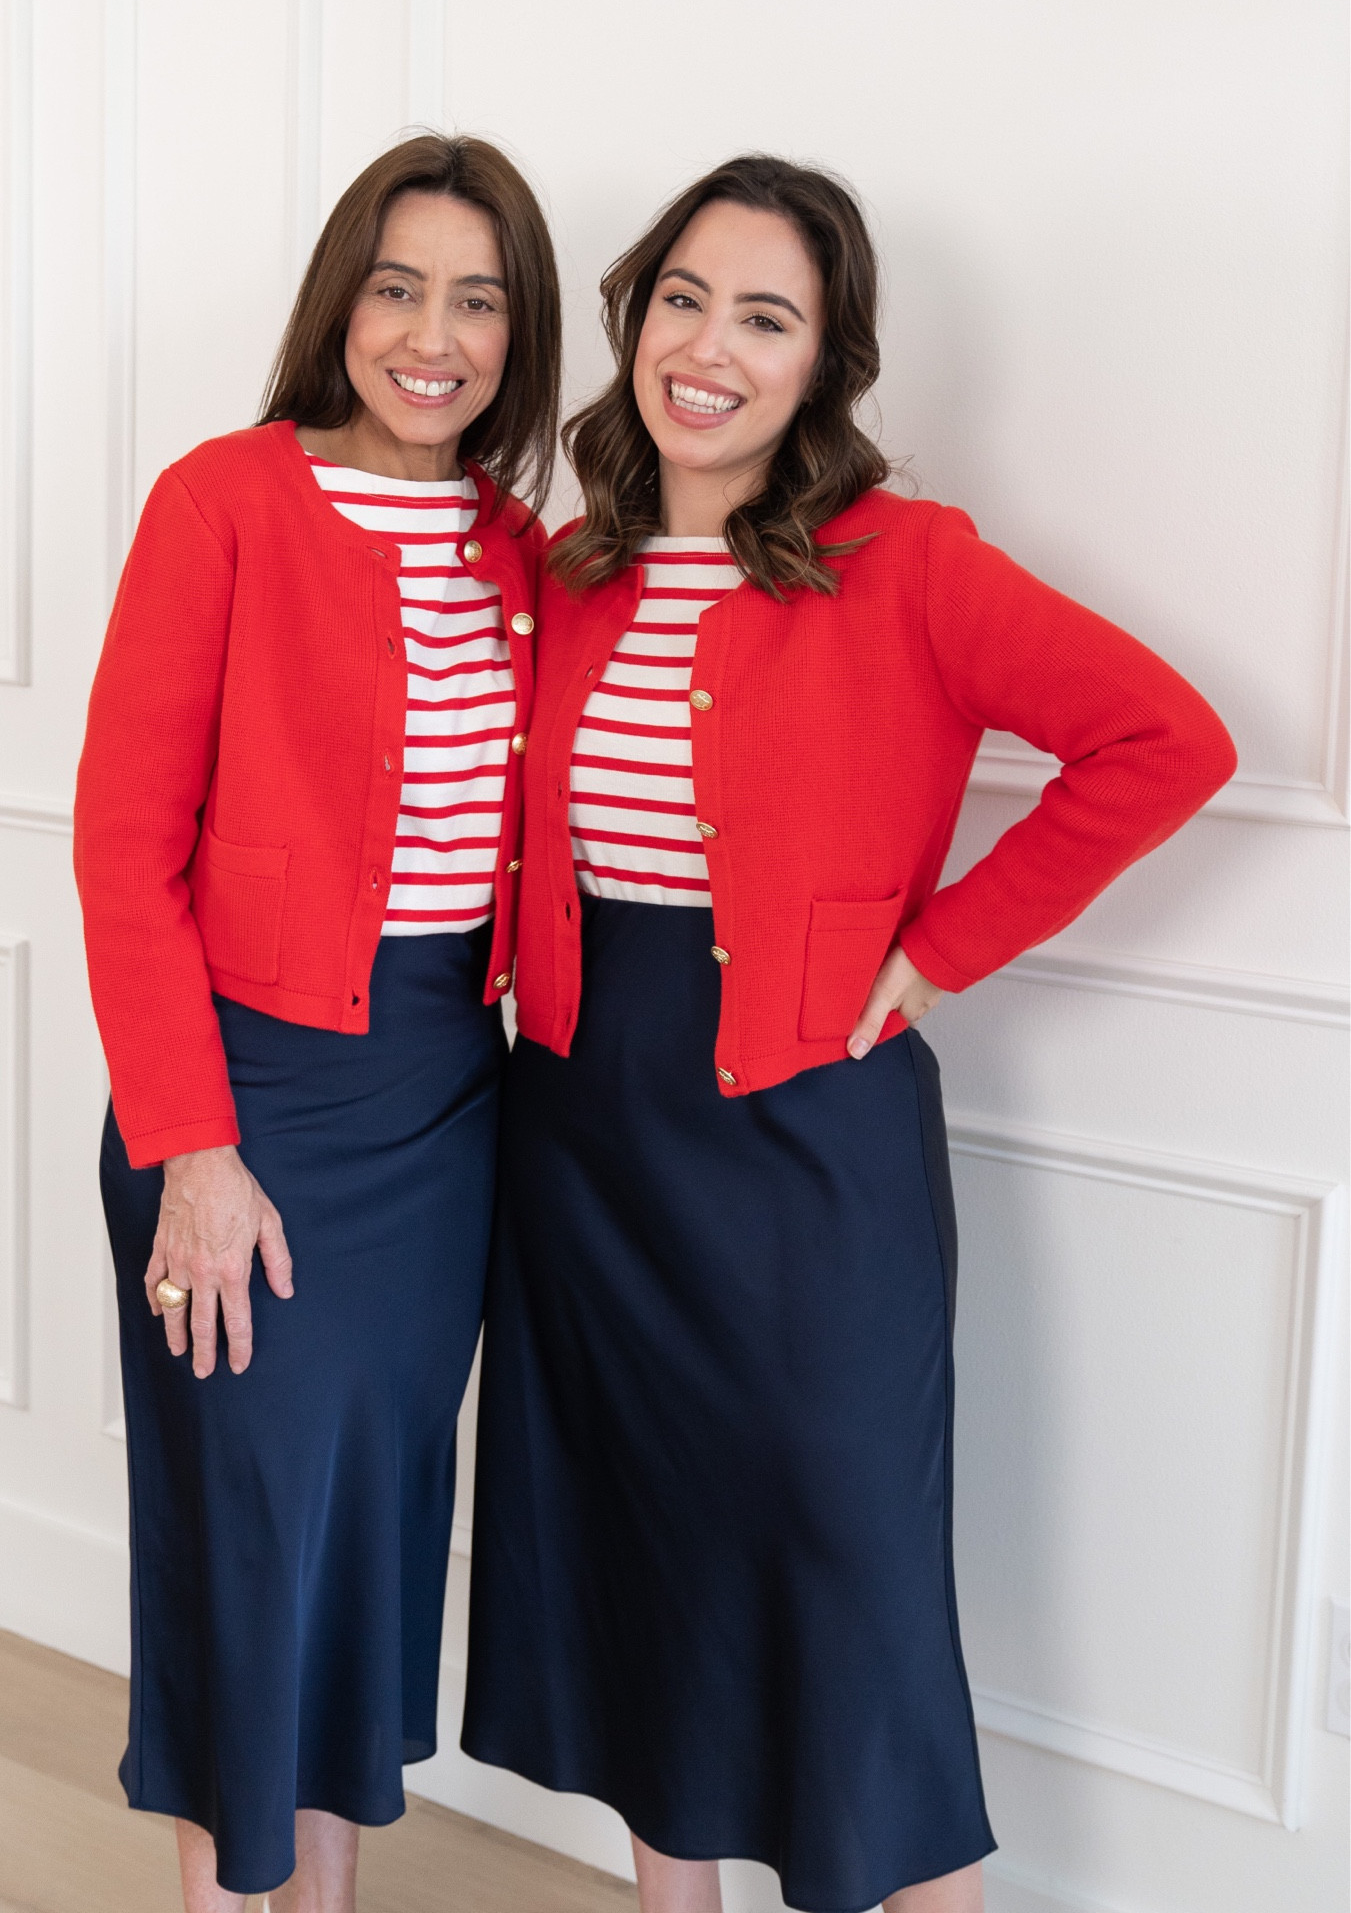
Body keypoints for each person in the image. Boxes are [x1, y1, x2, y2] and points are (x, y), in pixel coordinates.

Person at [460, 155, 1236, 1913]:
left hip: (811, 1151)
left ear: (826, 363)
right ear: (632, 315)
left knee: (850, 1588)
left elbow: (1164, 744)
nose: (709, 348)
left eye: (766, 317)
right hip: (582, 1139)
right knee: (646, 1564)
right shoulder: (569, 565)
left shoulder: (909, 563)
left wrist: (942, 950)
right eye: (682, 299)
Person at [74, 132, 559, 1913]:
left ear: (519, 335)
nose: (433, 333)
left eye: (479, 299)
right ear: (341, 301)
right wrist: (192, 1151)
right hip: (242, 1100)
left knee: (366, 1548)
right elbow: (122, 848)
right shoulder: (221, 501)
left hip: (443, 1110)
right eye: (398, 285)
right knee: (246, 1545)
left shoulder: (522, 547)